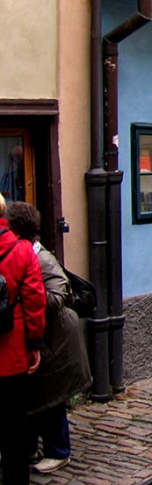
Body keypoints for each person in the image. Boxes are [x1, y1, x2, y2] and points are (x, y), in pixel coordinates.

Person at [6, 203, 91, 476]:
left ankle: (58, 450)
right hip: (41, 335)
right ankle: (30, 447)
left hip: (58, 338)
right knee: (34, 396)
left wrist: (25, 300)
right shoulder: (23, 253)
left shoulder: (41, 258)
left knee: (53, 396)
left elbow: (59, 295)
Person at [0, 193, 46, 485]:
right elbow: (34, 302)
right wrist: (35, 345)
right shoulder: (21, 251)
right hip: (10, 351)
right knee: (13, 427)